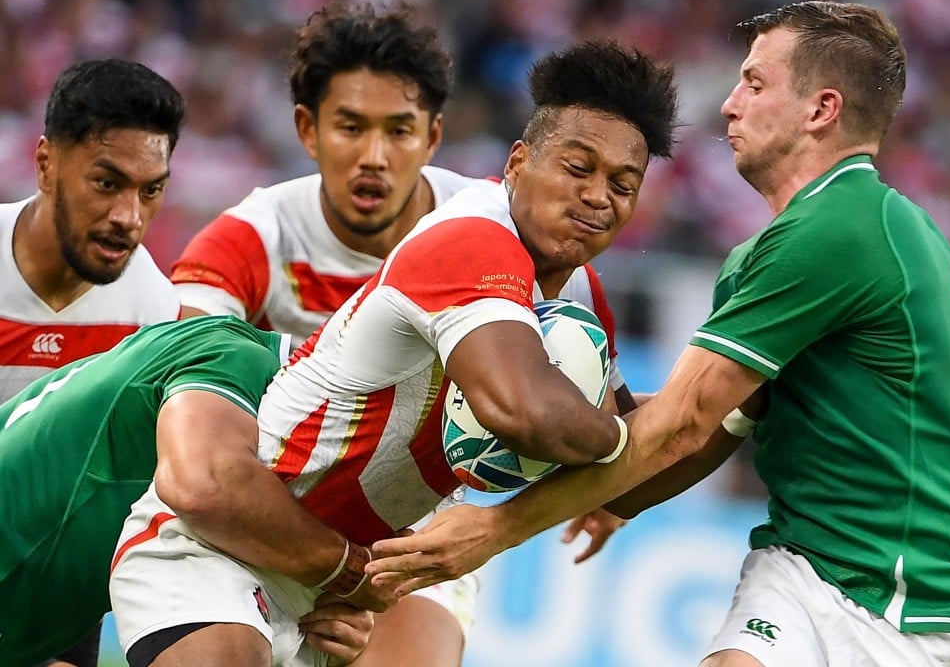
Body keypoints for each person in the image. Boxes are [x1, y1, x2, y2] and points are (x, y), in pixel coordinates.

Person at [365, 1, 950, 667]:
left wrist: (497, 528)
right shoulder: (771, 253)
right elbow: (709, 430)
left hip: (918, 599)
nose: (729, 104)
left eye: (755, 83)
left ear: (821, 110)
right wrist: (616, 494)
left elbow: (680, 425)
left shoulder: (844, 228)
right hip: (804, 560)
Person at [108, 39, 679, 666]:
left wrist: (732, 401)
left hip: (363, 573)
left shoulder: (579, 291)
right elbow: (527, 412)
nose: (598, 196)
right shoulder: (468, 237)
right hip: (231, 538)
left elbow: (633, 460)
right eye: (577, 168)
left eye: (622, 185)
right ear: (517, 163)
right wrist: (628, 443)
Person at [0, 315, 374, 667]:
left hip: (43, 613)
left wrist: (320, 612)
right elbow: (201, 490)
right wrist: (347, 571)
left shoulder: (230, 362)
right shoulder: (234, 359)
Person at [0, 58, 184, 667]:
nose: (129, 217)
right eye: (107, 183)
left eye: (150, 191)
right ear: (46, 164)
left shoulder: (152, 313)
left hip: (56, 595)